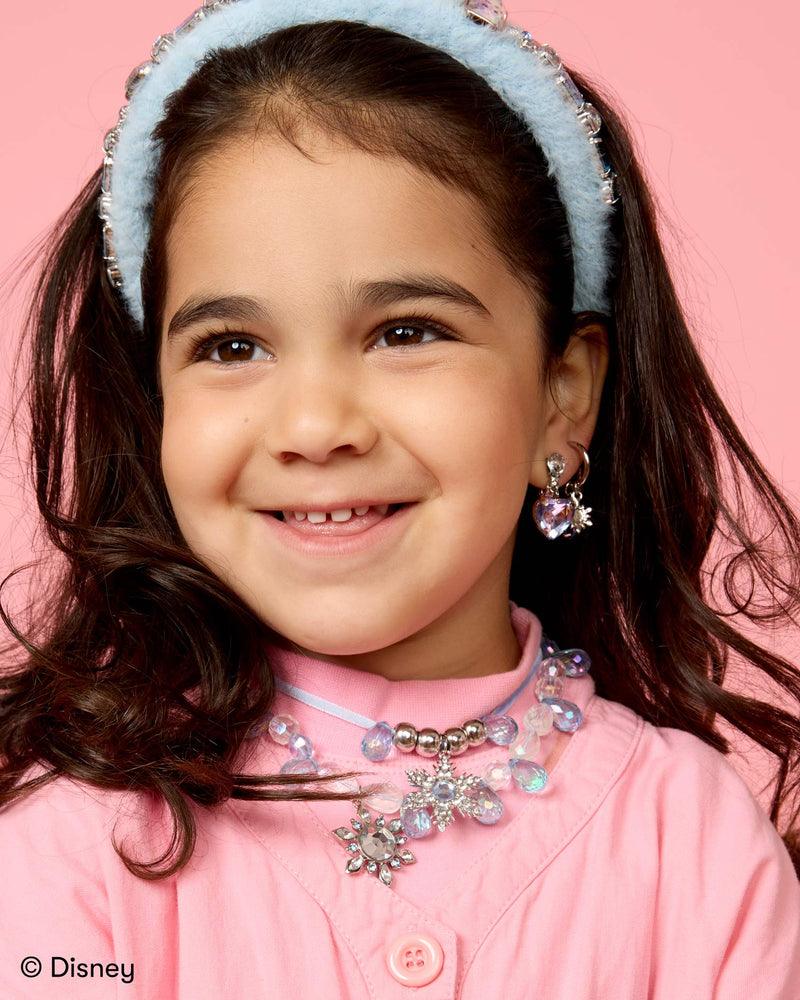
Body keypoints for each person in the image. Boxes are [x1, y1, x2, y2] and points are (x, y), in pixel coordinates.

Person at [1, 1, 799, 997]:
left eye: (405, 331)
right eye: (231, 347)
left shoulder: (693, 844)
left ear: (562, 395)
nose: (314, 423)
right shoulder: (81, 842)